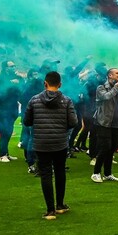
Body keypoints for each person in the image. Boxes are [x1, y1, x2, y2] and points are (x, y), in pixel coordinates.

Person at [24, 71, 77, 220]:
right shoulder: (66, 100)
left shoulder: (34, 100)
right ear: (60, 84)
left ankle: (50, 211)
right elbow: (73, 122)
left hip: (41, 143)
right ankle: (60, 205)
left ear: (45, 83)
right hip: (60, 142)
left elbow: (27, 121)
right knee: (60, 172)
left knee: (46, 174)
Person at [91, 68, 118, 183]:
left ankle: (107, 173)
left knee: (112, 148)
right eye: (117, 73)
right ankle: (96, 173)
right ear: (110, 75)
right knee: (105, 147)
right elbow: (106, 97)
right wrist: (115, 89)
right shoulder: (101, 88)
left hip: (116, 122)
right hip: (104, 122)